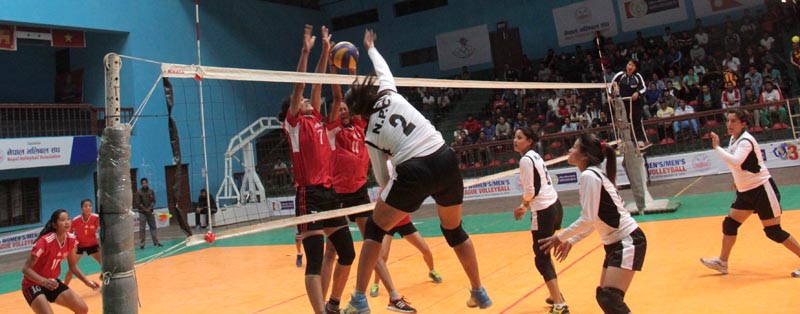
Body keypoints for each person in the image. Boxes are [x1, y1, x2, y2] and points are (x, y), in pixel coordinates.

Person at [342, 29, 491, 313]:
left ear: (359, 113)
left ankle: (359, 299)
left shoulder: (370, 135)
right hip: (445, 158)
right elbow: (383, 69)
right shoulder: (389, 92)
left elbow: (383, 179)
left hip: (414, 170)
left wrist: (395, 197)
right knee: (454, 230)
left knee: (375, 228)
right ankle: (478, 291)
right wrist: (370, 47)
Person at [325, 56, 415, 313]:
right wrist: (333, 68)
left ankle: (393, 296)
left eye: (346, 108)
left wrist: (352, 67)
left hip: (358, 192)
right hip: (337, 196)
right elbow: (338, 95)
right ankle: (328, 304)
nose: (343, 111)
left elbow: (355, 94)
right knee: (332, 251)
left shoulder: (358, 125)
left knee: (371, 242)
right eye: (340, 108)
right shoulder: (333, 129)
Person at [279, 25, 355, 314]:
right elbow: (300, 87)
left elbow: (317, 84)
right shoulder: (294, 124)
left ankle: (333, 304)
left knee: (347, 252)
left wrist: (325, 51)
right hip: (308, 195)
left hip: (329, 194)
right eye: (303, 102)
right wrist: (305, 52)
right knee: (314, 260)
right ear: (294, 110)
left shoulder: (318, 121)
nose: (309, 101)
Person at [539, 133, 647, 314]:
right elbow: (594, 219)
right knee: (605, 296)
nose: (570, 150)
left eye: (574, 147)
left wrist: (560, 237)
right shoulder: (592, 174)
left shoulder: (589, 176)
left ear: (584, 155)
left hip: (628, 240)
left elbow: (588, 218)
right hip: (617, 243)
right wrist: (571, 240)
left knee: (610, 298)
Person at [700, 109, 800, 277]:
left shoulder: (746, 141)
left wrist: (716, 147)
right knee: (730, 224)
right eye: (728, 121)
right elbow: (740, 166)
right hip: (745, 191)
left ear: (743, 123)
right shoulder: (734, 139)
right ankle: (722, 262)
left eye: (734, 121)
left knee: (773, 231)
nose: (729, 124)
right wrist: (737, 181)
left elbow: (736, 161)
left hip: (762, 189)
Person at [512, 128, 569, 314]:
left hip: (544, 211)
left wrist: (523, 205)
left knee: (541, 258)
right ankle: (555, 295)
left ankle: (559, 304)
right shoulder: (535, 156)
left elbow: (531, 191)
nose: (515, 140)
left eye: (519, 138)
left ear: (529, 141)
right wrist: (525, 206)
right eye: (515, 137)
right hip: (555, 205)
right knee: (545, 253)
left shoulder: (525, 160)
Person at [22, 209, 100, 313]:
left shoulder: (71, 240)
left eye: (68, 219)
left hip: (52, 282)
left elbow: (73, 266)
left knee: (82, 309)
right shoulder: (45, 241)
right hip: (33, 284)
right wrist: (43, 281)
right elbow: (26, 269)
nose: (67, 222)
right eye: (62, 220)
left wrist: (86, 281)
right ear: (54, 225)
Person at [370, 214, 443, 297]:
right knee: (382, 257)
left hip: (405, 224)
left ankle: (432, 271)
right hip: (388, 225)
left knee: (425, 250)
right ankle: (375, 284)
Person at [608, 60, 647, 145]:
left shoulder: (637, 76)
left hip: (635, 103)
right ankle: (625, 141)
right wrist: (610, 95)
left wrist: (638, 93)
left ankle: (639, 140)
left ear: (635, 68)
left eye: (633, 66)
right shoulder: (620, 75)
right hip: (622, 102)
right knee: (623, 122)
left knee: (636, 120)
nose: (630, 67)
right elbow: (611, 85)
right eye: (629, 64)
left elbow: (643, 88)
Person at [64, 199, 101, 286]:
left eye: (90, 206)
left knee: (105, 266)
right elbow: (69, 233)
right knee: (71, 269)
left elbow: (103, 230)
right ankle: (64, 287)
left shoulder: (96, 218)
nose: (88, 208)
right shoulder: (76, 220)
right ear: (82, 208)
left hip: (93, 245)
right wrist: (73, 244)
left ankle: (106, 286)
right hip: (79, 246)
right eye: (85, 206)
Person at [136, 178, 162, 250]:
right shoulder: (138, 192)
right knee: (142, 229)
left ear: (147, 183)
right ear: (141, 184)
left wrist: (150, 208)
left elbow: (154, 201)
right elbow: (138, 203)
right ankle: (142, 244)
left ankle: (156, 242)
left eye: (145, 183)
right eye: (143, 183)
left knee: (153, 227)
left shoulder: (151, 191)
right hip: (142, 213)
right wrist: (145, 210)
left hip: (150, 212)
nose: (144, 184)